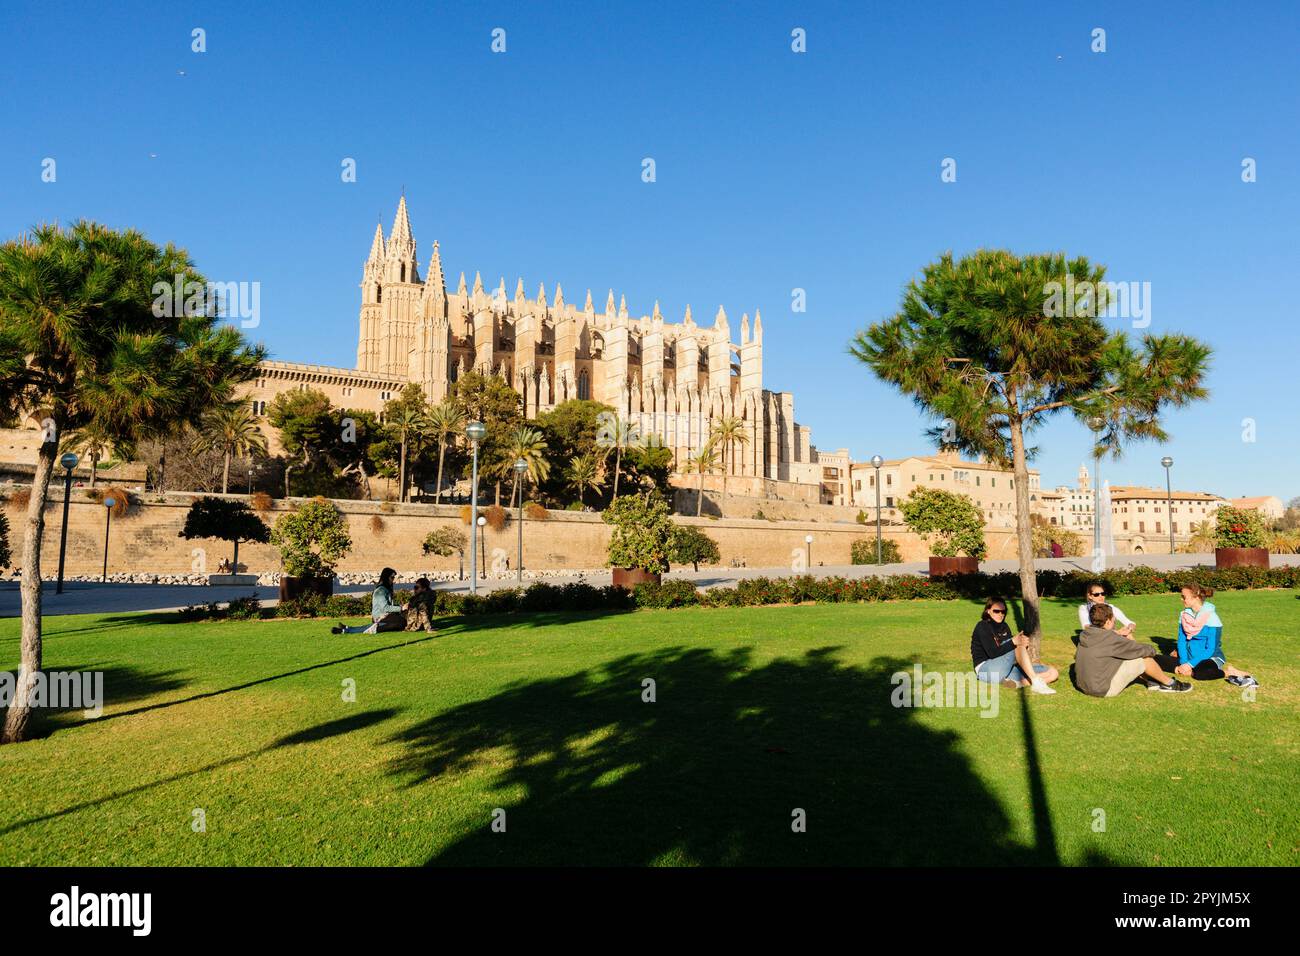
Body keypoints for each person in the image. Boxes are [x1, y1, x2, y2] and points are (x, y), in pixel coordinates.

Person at [1076, 602, 1190, 696]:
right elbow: (1142, 650)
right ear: (1108, 621)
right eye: (1113, 619)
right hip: (1102, 689)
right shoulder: (1110, 638)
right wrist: (1139, 644)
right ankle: (1169, 684)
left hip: (1083, 685)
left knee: (1126, 655)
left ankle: (1151, 681)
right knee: (1143, 658)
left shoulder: (1086, 635)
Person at [1154, 586, 1258, 687]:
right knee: (1153, 659)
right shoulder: (1184, 615)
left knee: (1200, 674)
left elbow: (1210, 649)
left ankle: (1230, 672)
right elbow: (1182, 641)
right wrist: (1184, 662)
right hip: (1189, 657)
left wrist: (1189, 665)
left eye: (1184, 596)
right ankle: (1184, 670)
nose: (1181, 599)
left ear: (1196, 597)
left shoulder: (1212, 619)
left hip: (1209, 657)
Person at [970, 597, 1059, 695]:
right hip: (986, 669)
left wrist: (1023, 645)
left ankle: (1019, 683)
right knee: (1018, 644)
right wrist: (1014, 642)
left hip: (1004, 668)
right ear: (988, 611)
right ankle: (1036, 682)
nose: (1000, 614)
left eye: (1003, 612)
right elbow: (993, 653)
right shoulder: (982, 626)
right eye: (996, 611)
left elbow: (1009, 651)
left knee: (1053, 673)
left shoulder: (1005, 627)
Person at [331, 568, 407, 634]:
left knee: (400, 622)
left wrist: (400, 606)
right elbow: (385, 608)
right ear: (386, 577)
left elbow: (389, 605)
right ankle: (347, 630)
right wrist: (401, 608)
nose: (393, 580)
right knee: (400, 623)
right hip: (380, 617)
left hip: (385, 616)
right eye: (392, 577)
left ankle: (347, 628)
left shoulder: (385, 590)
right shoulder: (381, 591)